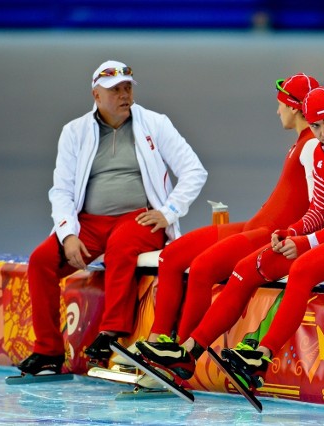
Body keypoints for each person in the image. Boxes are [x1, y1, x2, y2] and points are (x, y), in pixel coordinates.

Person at [136, 86, 324, 389]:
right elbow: (320, 210)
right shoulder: (320, 150)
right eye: (316, 125)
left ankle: (261, 358)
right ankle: (187, 353)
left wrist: (307, 242)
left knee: (303, 268)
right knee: (247, 268)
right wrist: (292, 231)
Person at [17, 60, 208, 375]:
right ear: (96, 95)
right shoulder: (74, 132)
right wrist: (68, 234)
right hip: (89, 223)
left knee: (121, 245)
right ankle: (48, 351)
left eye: (128, 87)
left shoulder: (155, 123)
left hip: (138, 219)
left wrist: (169, 211)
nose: (124, 95)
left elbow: (194, 170)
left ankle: (112, 333)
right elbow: (61, 190)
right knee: (40, 261)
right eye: (115, 90)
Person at [143, 73, 320, 346]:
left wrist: (300, 238)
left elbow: (321, 204)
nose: (277, 110)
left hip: (269, 235)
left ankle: (179, 353)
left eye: (280, 105)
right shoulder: (301, 142)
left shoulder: (310, 146)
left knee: (202, 268)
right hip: (254, 226)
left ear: (294, 107)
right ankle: (157, 340)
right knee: (172, 256)